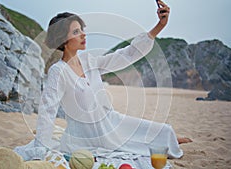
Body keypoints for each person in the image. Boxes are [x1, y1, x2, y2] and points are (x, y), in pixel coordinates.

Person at [15, 0, 191, 162]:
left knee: (163, 130)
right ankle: (164, 143)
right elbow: (47, 111)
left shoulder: (89, 60)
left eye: (82, 29)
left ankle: (170, 141)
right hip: (87, 136)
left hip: (112, 122)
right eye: (76, 32)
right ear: (63, 39)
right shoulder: (58, 71)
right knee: (136, 150)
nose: (83, 34)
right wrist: (42, 149)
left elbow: (126, 55)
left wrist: (159, 26)